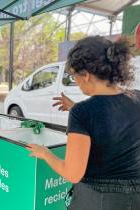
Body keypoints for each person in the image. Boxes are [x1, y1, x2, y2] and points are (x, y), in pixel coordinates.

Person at [27, 36, 140, 210]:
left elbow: (72, 173)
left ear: (86, 75)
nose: (76, 83)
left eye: (74, 76)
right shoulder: (137, 97)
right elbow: (114, 119)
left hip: (97, 200)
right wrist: (75, 108)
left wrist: (45, 153)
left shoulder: (83, 112)